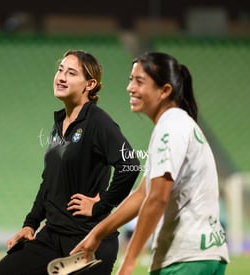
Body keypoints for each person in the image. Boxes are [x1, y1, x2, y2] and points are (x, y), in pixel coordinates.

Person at [71, 52, 229, 274]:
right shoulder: (178, 124)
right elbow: (143, 194)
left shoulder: (170, 128)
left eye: (139, 81)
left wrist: (129, 259)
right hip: (206, 254)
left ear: (164, 91)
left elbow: (157, 198)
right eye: (130, 79)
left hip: (185, 257)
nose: (130, 88)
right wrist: (97, 233)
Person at [0, 50, 140, 275]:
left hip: (87, 242)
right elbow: (48, 182)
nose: (61, 77)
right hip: (50, 238)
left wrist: (101, 204)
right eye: (60, 70)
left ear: (89, 84)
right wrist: (30, 224)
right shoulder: (60, 124)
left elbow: (130, 165)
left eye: (71, 73)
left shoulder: (98, 122)